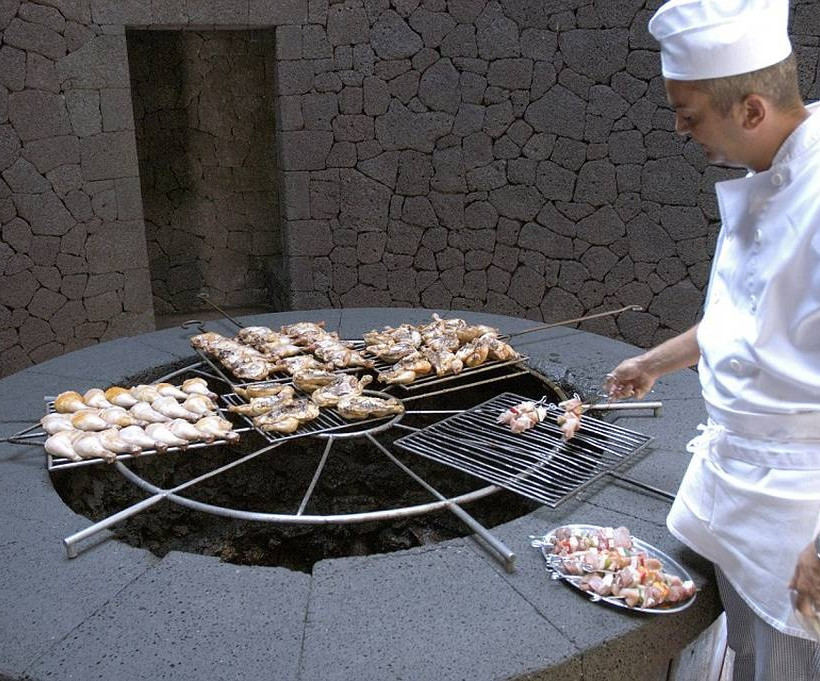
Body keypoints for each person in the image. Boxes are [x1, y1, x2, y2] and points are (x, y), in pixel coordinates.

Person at [604, 1, 820, 679]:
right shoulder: (769, 174)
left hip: (796, 518)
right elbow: (748, 323)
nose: (679, 129)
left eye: (690, 114)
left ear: (751, 110)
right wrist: (655, 361)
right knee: (748, 660)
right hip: (737, 489)